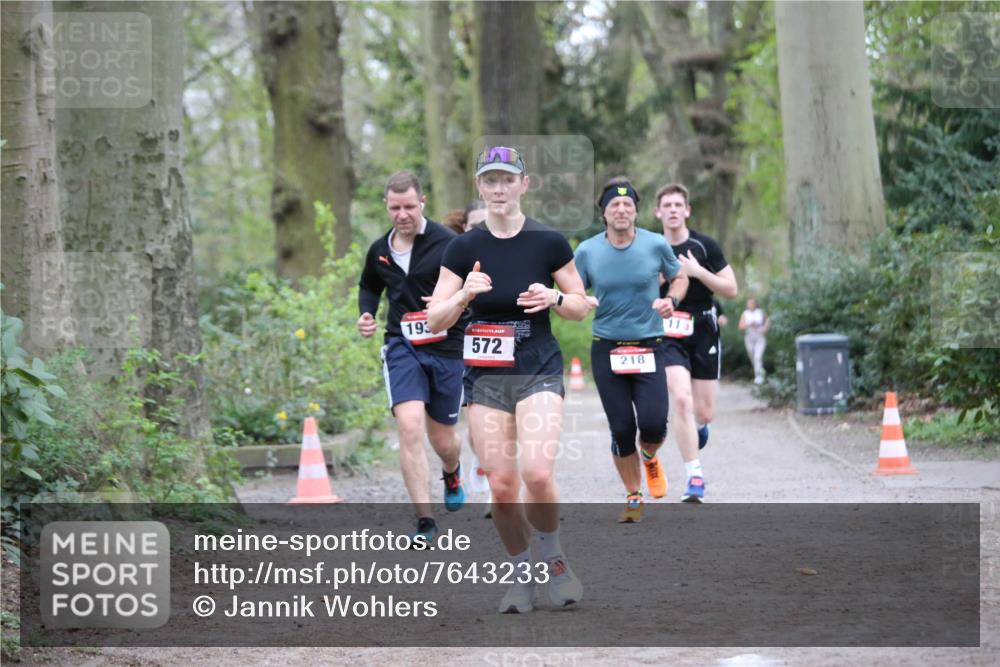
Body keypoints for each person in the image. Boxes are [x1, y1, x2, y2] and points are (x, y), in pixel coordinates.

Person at [427, 146, 593, 613]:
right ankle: (522, 575)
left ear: (525, 184)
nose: (498, 189)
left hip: (537, 366)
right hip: (486, 378)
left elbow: (581, 305)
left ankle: (555, 559)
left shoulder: (549, 242)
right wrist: (463, 294)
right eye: (490, 181)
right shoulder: (462, 248)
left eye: (507, 180)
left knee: (537, 473)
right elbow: (434, 320)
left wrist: (555, 298)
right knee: (502, 485)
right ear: (479, 187)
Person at [357, 171, 467, 545]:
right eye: (394, 207)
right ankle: (425, 520)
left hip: (446, 348)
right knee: (408, 425)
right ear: (387, 207)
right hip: (401, 345)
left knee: (443, 440)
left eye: (408, 206)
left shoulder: (448, 243)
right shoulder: (380, 249)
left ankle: (452, 471)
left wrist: (449, 306)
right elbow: (369, 285)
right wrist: (367, 313)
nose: (402, 214)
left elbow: (471, 290)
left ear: (422, 203)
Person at [575, 177, 687, 523]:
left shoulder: (655, 245)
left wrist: (671, 300)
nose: (621, 210)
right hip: (606, 348)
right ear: (604, 214)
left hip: (650, 346)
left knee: (653, 425)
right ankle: (633, 495)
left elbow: (679, 277)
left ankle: (650, 456)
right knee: (621, 428)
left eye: (627, 205)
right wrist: (580, 300)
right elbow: (571, 289)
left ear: (636, 212)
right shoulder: (588, 251)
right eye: (614, 205)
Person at [655, 183, 738, 502]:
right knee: (681, 399)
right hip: (667, 329)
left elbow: (731, 290)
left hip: (703, 328)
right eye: (667, 205)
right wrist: (661, 280)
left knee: (703, 412)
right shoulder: (650, 246)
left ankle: (698, 429)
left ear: (687, 211)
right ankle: (695, 477)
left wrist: (698, 272)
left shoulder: (705, 245)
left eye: (678, 204)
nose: (673, 210)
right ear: (658, 212)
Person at [739, 297, 770, 384]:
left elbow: (768, 320)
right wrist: (749, 323)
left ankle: (759, 378)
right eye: (749, 303)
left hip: (759, 337)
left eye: (752, 303)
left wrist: (764, 329)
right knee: (753, 357)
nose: (750, 305)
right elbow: (740, 326)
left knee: (757, 357)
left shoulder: (760, 312)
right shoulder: (745, 313)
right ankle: (761, 372)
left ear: (755, 304)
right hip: (749, 338)